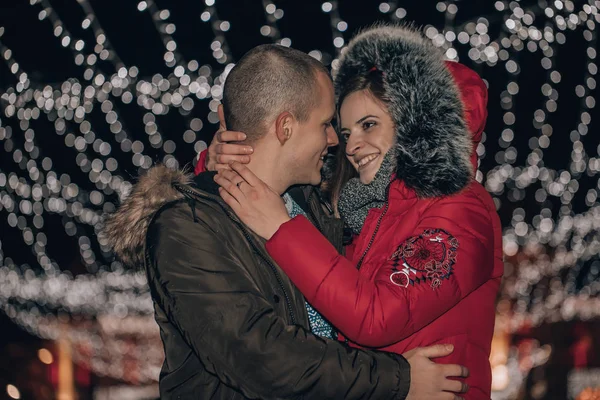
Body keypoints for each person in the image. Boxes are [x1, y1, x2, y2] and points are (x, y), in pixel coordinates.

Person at [103, 43, 470, 399]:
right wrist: (398, 380)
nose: (333, 140)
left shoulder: (319, 207)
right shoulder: (184, 228)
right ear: (286, 127)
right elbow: (261, 358)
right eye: (327, 124)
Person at [211, 26, 504, 399]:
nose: (351, 146)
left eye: (369, 125)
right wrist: (225, 160)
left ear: (417, 124)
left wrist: (282, 228)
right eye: (346, 133)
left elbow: (376, 315)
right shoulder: (368, 210)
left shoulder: (460, 206)